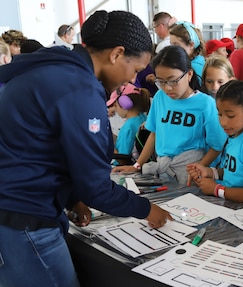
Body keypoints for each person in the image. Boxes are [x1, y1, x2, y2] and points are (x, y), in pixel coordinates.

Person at [0, 10, 173, 287]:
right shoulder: (78, 87)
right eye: (136, 70)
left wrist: (71, 198)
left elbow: (42, 147)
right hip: (23, 219)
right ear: (116, 53)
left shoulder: (52, 66)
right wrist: (145, 209)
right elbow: (96, 186)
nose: (131, 81)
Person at [113, 46, 226, 185]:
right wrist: (137, 165)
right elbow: (154, 134)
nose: (167, 88)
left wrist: (199, 168)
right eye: (161, 81)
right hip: (163, 173)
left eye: (173, 81)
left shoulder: (206, 104)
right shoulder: (160, 97)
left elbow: (217, 145)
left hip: (191, 175)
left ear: (189, 74)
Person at [187, 80, 243, 206]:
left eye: (230, 116)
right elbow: (234, 172)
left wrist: (216, 189)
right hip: (232, 206)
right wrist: (210, 172)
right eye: (220, 114)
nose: (223, 122)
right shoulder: (236, 133)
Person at [110, 86, 151, 164]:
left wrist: (108, 146)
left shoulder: (127, 127)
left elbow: (122, 159)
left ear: (125, 104)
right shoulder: (145, 118)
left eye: (115, 105)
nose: (115, 109)